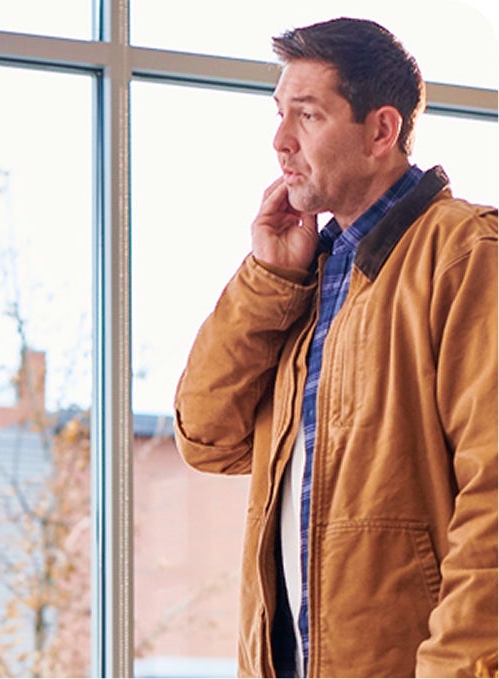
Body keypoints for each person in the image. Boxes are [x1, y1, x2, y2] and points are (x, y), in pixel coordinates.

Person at [174, 17, 497, 678]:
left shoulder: (465, 254)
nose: (280, 140)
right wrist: (269, 278)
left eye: (309, 116)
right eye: (279, 114)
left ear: (382, 131)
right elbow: (206, 437)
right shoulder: (305, 274)